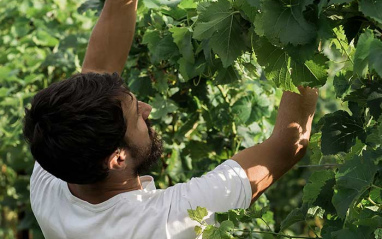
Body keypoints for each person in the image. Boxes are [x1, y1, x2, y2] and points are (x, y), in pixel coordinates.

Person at [23, 0, 319, 238]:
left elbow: (98, 68)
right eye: (135, 118)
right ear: (116, 158)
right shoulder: (169, 221)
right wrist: (302, 25)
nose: (147, 109)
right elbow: (287, 144)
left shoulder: (53, 168)